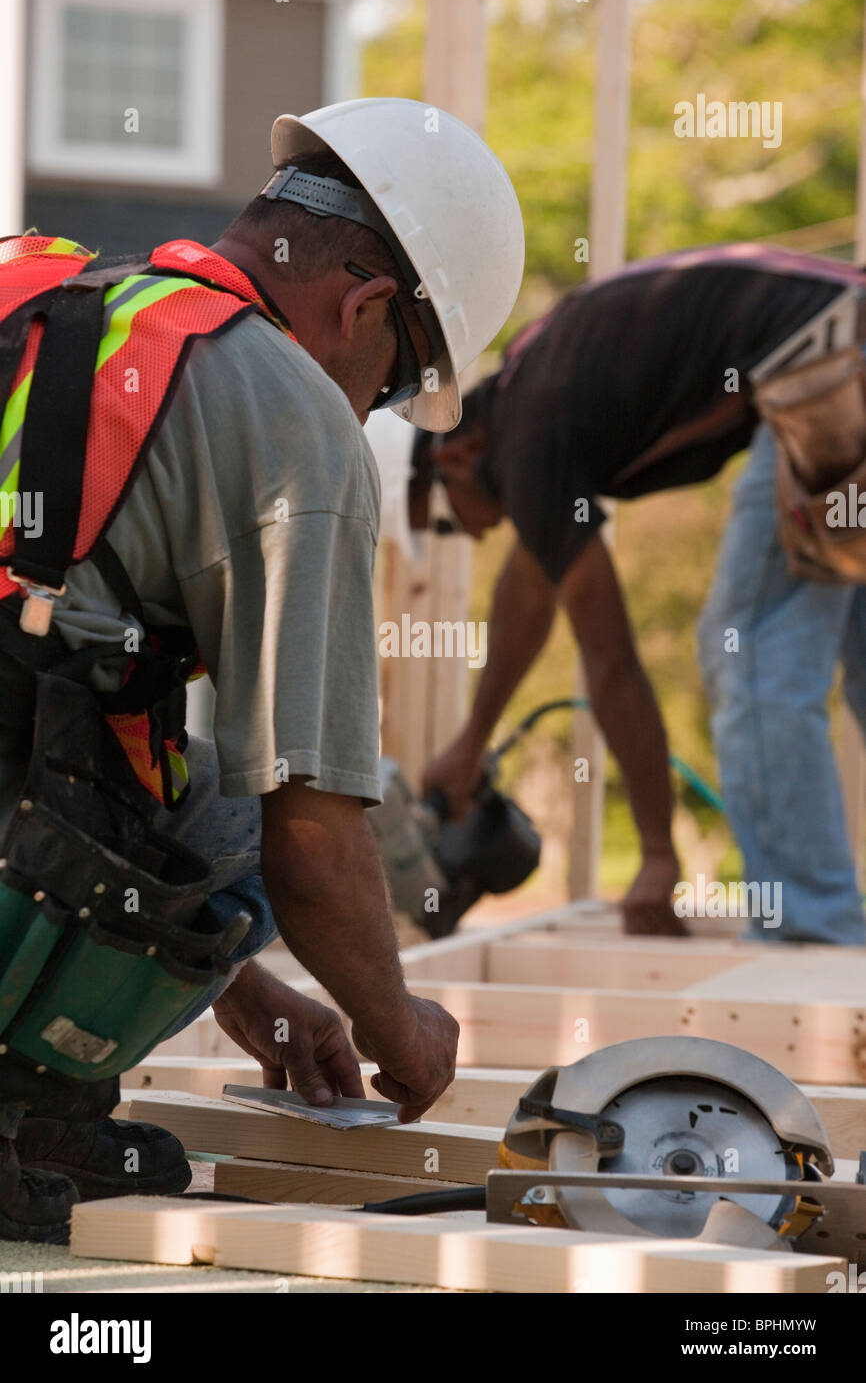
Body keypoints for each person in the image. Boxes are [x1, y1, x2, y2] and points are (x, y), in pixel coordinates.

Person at [0, 97, 524, 1240]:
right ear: (367, 304)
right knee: (244, 799)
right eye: (390, 383)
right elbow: (312, 840)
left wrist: (255, 997)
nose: (368, 412)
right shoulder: (290, 416)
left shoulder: (41, 288)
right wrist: (399, 1029)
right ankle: (21, 1112)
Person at [412, 242, 866, 946]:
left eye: (443, 522)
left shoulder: (530, 437)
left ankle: (815, 935)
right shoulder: (533, 396)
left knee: (747, 654)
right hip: (837, 351)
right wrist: (471, 745)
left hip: (826, 368)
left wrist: (657, 851)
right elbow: (529, 591)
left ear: (454, 457)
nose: (469, 538)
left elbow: (612, 660)